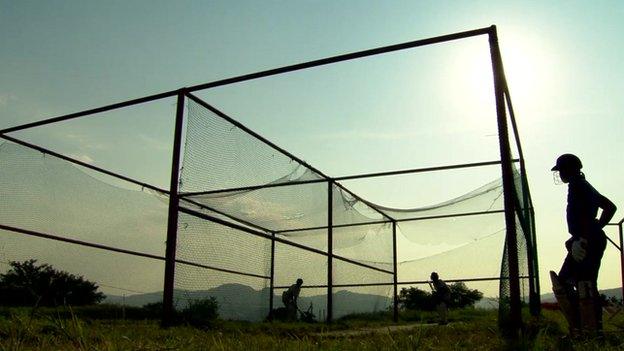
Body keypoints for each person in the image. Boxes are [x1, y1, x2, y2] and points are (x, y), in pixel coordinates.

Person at [549, 153, 616, 336]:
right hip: (586, 239)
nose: (560, 174)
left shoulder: (578, 186)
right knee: (585, 284)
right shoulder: (583, 185)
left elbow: (609, 208)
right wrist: (592, 230)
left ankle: (584, 329)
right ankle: (589, 329)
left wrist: (586, 235)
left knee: (573, 283)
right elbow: (610, 207)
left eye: (561, 169)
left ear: (569, 169)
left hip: (586, 241)